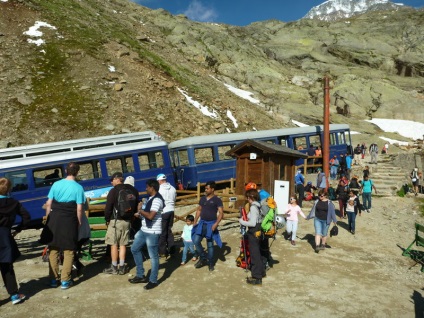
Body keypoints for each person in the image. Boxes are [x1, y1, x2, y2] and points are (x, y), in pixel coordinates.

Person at [44, 162, 86, 289]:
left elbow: (49, 203)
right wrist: (79, 222)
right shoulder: (79, 188)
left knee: (53, 249)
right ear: (77, 172)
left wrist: (47, 219)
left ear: (66, 171)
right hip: (69, 220)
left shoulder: (56, 184)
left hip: (54, 219)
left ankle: (53, 279)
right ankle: (65, 281)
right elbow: (79, 208)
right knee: (69, 250)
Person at [0, 177, 31, 305]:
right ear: (9, 189)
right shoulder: (14, 203)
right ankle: (14, 295)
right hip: (5, 236)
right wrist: (18, 229)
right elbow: (26, 217)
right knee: (7, 267)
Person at [129, 179, 164, 290]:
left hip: (152, 232)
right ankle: (140, 275)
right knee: (134, 249)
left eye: (147, 187)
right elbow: (146, 215)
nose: (145, 189)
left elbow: (150, 216)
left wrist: (140, 210)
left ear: (152, 188)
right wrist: (140, 215)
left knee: (153, 257)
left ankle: (153, 280)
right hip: (144, 230)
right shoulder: (150, 199)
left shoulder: (157, 200)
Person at [103, 172, 139, 275]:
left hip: (116, 220)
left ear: (117, 179)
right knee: (123, 244)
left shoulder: (114, 191)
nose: (111, 182)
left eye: (112, 180)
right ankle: (122, 267)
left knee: (113, 244)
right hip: (127, 221)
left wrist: (107, 219)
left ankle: (114, 267)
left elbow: (108, 207)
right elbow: (136, 206)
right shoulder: (133, 190)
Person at [193, 181, 223, 272]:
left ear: (212, 189)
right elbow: (199, 210)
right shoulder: (202, 199)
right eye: (205, 188)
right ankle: (203, 258)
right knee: (196, 241)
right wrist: (195, 221)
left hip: (211, 225)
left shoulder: (217, 200)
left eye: (207, 188)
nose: (205, 190)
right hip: (202, 224)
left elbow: (221, 213)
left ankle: (210, 263)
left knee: (210, 245)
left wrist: (215, 224)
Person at [239, 189, 264, 285]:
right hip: (258, 231)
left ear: (251, 197)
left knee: (254, 254)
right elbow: (251, 217)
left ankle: (257, 277)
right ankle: (261, 272)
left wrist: (242, 222)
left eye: (248, 197)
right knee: (258, 252)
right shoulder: (258, 206)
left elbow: (252, 223)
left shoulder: (253, 207)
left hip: (253, 232)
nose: (247, 199)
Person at [157, 173, 177, 258]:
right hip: (171, 210)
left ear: (159, 180)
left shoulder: (159, 189)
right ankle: (172, 249)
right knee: (168, 230)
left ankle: (162, 251)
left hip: (163, 211)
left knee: (162, 232)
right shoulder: (172, 188)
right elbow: (175, 198)